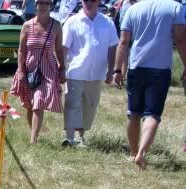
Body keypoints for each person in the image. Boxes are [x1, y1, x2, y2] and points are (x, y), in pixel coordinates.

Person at [113, 0, 186, 168]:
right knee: (152, 114)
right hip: (160, 68)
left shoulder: (132, 9)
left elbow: (123, 42)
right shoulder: (175, 7)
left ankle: (133, 152)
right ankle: (142, 153)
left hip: (135, 66)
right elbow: (180, 39)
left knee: (133, 113)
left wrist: (117, 70)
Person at [61, 0, 118, 147]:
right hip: (75, 71)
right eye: (85, 0)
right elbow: (64, 47)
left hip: (97, 74)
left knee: (90, 107)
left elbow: (112, 47)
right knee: (72, 104)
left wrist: (111, 70)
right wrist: (61, 68)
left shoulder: (107, 22)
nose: (89, 3)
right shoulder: (72, 22)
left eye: (92, 0)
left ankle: (81, 136)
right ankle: (69, 138)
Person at [10, 0, 65, 143]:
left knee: (39, 101)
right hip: (29, 68)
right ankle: (34, 133)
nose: (43, 5)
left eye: (47, 3)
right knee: (30, 105)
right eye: (41, 2)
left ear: (51, 6)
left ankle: (33, 141)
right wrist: (20, 70)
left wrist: (62, 67)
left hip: (48, 69)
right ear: (35, 5)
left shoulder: (56, 25)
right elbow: (21, 50)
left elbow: (59, 49)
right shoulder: (27, 25)